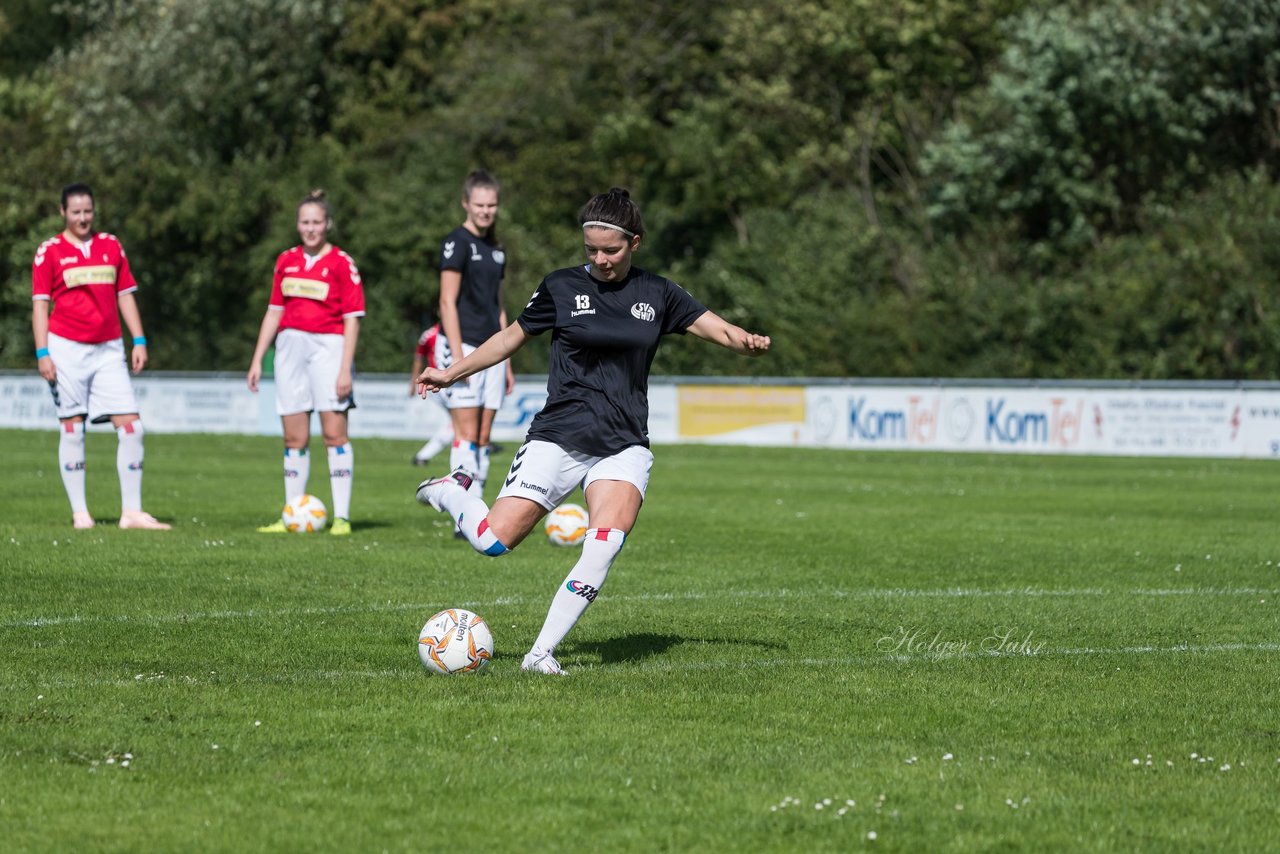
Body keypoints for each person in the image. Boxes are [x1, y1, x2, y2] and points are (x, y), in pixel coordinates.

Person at [415, 188, 771, 675]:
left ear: (635, 243)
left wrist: (747, 343)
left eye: (611, 250)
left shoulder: (658, 293)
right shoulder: (560, 287)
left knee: (604, 542)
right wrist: (451, 372)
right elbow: (509, 338)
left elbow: (720, 329)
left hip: (623, 444)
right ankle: (451, 491)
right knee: (492, 542)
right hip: (559, 435)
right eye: (592, 250)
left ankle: (540, 654)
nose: (601, 260)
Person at [31, 182, 171, 530]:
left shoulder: (111, 246)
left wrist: (138, 339)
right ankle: (81, 513)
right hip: (65, 349)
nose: (83, 218)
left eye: (88, 211)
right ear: (63, 212)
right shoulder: (48, 252)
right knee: (73, 429)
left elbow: (124, 294)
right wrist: (43, 351)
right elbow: (39, 306)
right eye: (76, 212)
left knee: (132, 428)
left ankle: (132, 513)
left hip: (109, 349)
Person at [247, 189, 365, 536]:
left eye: (317, 222)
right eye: (305, 222)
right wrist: (257, 359)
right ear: (297, 225)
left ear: (327, 223)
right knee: (293, 438)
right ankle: (292, 514)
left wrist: (345, 367)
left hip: (329, 349)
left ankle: (341, 516)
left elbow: (353, 319)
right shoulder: (285, 260)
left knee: (333, 433)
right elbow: (274, 311)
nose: (311, 228)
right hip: (289, 349)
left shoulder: (342, 263)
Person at [435, 170, 516, 499]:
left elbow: (497, 306)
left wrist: (507, 360)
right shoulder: (457, 242)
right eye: (480, 204)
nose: (486, 210)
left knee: (483, 435)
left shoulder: (497, 249)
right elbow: (446, 301)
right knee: (466, 432)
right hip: (463, 346)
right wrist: (457, 357)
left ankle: (476, 508)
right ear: (466, 204)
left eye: (492, 204)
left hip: (493, 350)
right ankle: (461, 512)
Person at [410, 322, 455, 465]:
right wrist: (414, 381)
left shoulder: (459, 331)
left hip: (454, 382)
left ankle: (422, 457)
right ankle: (422, 456)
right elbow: (419, 356)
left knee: (458, 424)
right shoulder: (429, 335)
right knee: (458, 424)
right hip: (440, 384)